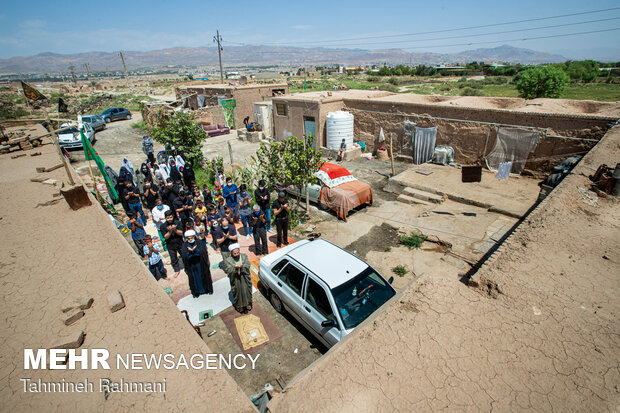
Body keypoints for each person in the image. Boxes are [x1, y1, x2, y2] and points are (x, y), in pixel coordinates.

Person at [181, 230, 213, 298]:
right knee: (194, 278)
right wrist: (190, 252)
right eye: (188, 238)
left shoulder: (199, 242)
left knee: (203, 276)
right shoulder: (184, 245)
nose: (190, 240)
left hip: (200, 264)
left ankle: (206, 289)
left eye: (191, 238)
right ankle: (197, 291)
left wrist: (195, 251)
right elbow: (184, 256)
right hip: (192, 266)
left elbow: (203, 252)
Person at [221, 243, 252, 314]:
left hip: (244, 278)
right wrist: (235, 268)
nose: (237, 254)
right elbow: (228, 270)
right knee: (238, 293)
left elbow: (248, 264)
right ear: (231, 253)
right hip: (235, 280)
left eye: (238, 252)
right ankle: (240, 307)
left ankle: (248, 305)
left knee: (246, 291)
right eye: (235, 253)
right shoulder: (228, 260)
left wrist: (242, 266)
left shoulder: (244, 256)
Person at [160, 210, 184, 277]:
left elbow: (181, 233)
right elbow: (165, 237)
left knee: (184, 255)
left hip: (180, 243)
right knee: (173, 259)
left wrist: (175, 230)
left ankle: (187, 267)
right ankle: (177, 270)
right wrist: (170, 231)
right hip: (170, 245)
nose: (169, 219)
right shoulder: (163, 226)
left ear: (173, 216)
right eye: (168, 218)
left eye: (170, 217)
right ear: (165, 218)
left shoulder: (178, 223)